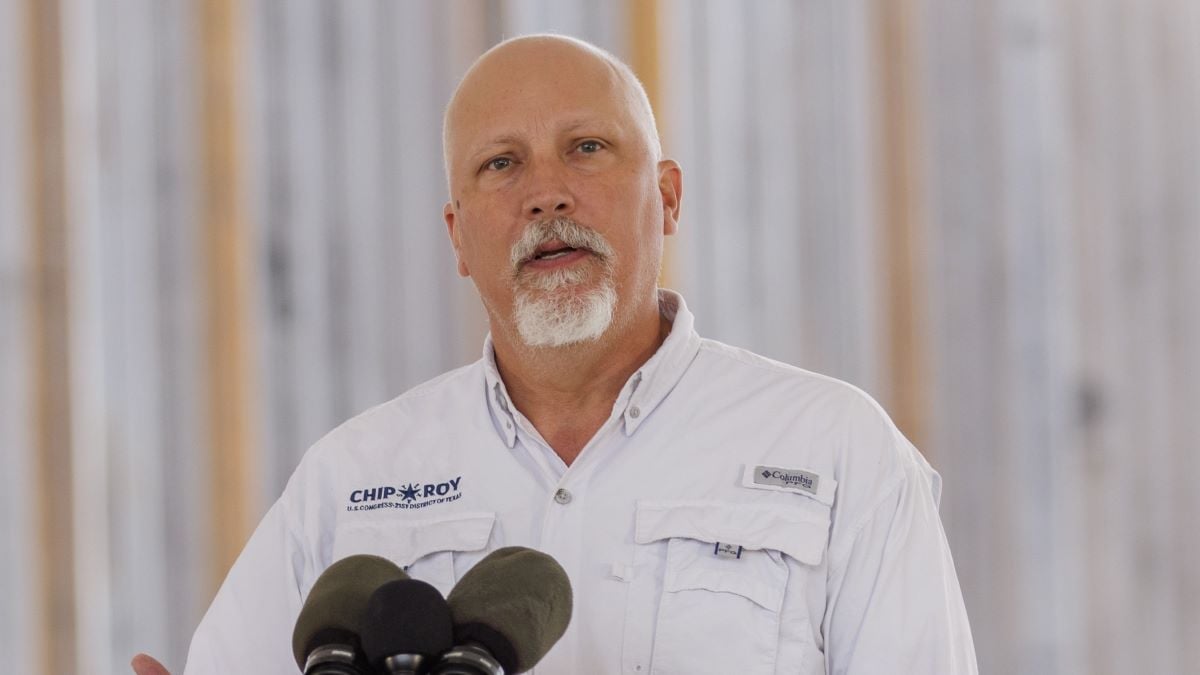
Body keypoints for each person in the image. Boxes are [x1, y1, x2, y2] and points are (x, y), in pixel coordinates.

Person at [135, 34, 977, 674]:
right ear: (458, 236)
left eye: (587, 148)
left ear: (669, 197)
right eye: (502, 164)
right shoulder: (347, 480)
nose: (547, 193)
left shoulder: (838, 453)